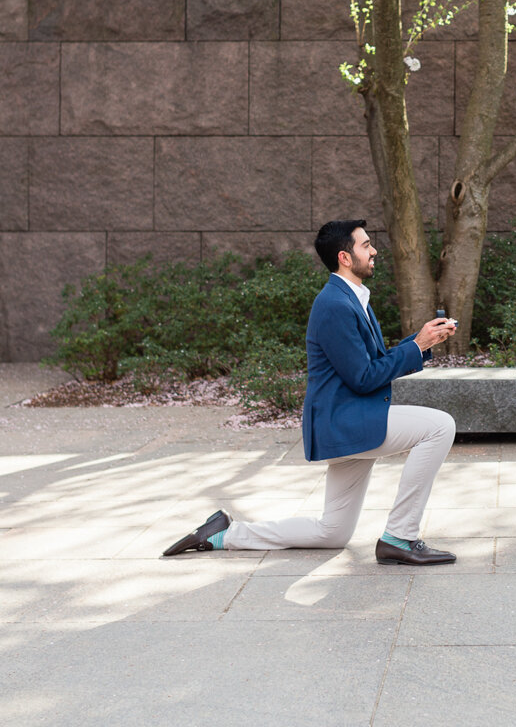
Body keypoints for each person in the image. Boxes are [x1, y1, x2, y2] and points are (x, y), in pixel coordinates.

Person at [162, 218, 461, 566]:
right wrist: (417, 346)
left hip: (347, 420)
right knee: (439, 426)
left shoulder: (352, 298)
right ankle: (401, 536)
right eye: (366, 245)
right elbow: (363, 378)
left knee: (332, 533)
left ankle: (224, 534)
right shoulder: (335, 304)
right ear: (345, 258)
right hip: (347, 421)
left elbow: (372, 363)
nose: (374, 250)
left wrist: (420, 342)